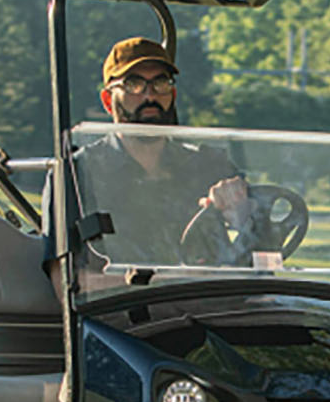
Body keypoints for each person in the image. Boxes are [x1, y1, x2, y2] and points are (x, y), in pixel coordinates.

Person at [74, 36, 250, 265]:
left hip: (211, 298)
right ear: (108, 101)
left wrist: (241, 212)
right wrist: (165, 283)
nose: (150, 96)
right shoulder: (80, 175)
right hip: (126, 301)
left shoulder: (210, 167)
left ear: (173, 96)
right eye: (133, 85)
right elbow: (69, 280)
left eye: (161, 83)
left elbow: (262, 252)